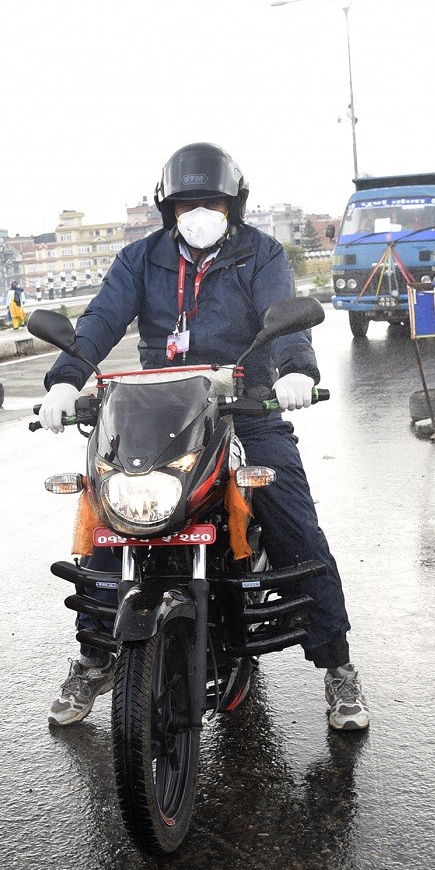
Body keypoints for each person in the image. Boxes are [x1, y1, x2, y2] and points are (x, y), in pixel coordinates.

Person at [37, 142, 370, 732]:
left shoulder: (260, 254)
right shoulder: (140, 260)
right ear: (169, 209)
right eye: (188, 203)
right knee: (107, 514)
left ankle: (336, 665)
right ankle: (95, 657)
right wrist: (66, 381)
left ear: (233, 205)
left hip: (244, 410)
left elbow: (284, 312)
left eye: (211, 202)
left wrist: (295, 370)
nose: (199, 212)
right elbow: (100, 321)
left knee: (295, 522)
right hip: (152, 414)